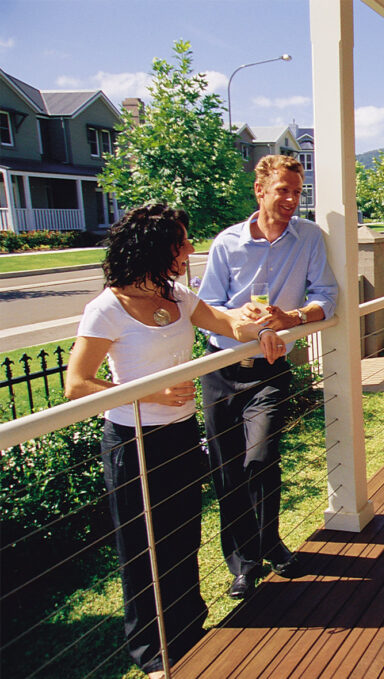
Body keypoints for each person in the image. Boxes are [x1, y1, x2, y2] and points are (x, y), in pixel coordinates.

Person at [66, 204, 286, 679]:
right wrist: (153, 393)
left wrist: (263, 327)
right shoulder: (108, 308)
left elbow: (230, 326)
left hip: (182, 435)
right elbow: (77, 384)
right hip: (133, 442)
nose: (190, 248)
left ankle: (188, 633)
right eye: (182, 241)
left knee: (183, 535)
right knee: (144, 546)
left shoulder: (178, 297)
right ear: (155, 247)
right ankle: (152, 652)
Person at [198, 154, 338, 599]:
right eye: (284, 190)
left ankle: (269, 541)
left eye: (298, 191)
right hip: (221, 369)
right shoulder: (227, 243)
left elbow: (327, 296)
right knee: (227, 470)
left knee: (260, 456)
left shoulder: (309, 238)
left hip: (271, 371)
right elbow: (206, 310)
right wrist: (244, 321)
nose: (293, 199)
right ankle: (245, 562)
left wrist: (291, 317)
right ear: (260, 191)